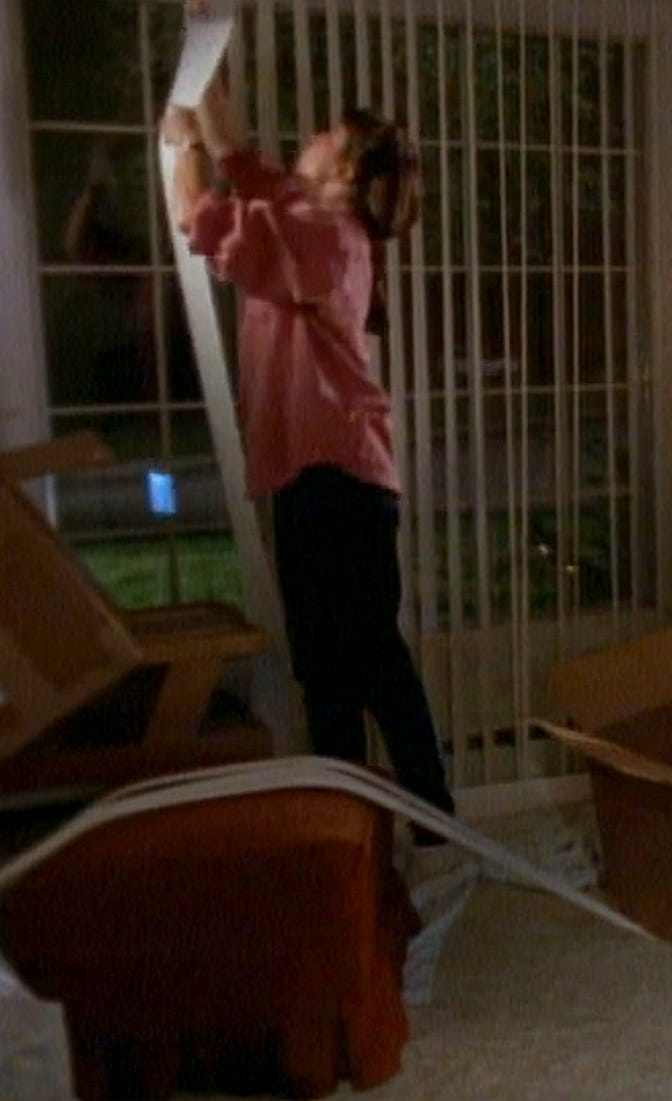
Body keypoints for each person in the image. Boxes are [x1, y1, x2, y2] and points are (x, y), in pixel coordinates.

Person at [160, 73, 455, 826]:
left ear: (345, 169)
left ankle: (421, 825)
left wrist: (193, 146)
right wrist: (202, 83)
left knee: (359, 664)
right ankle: (361, 828)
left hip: (337, 477)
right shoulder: (305, 219)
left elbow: (214, 219)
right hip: (321, 475)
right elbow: (236, 173)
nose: (311, 139)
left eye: (327, 136)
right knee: (337, 668)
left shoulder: (325, 233)